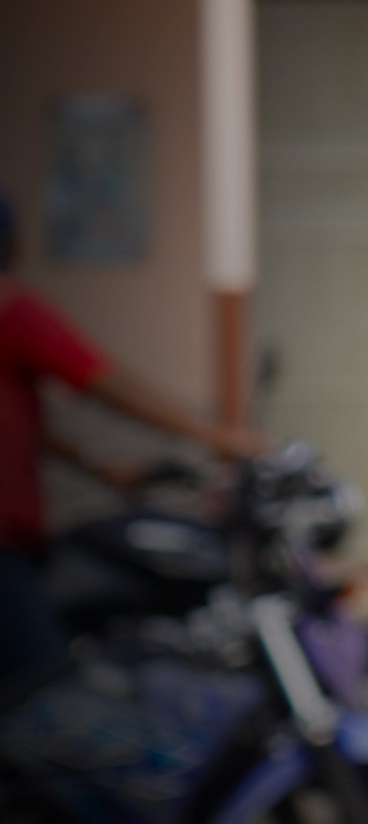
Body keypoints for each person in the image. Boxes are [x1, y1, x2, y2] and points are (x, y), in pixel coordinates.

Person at [0, 195, 271, 682]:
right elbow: (106, 384)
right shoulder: (11, 311)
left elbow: (24, 424)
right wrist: (217, 436)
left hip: (20, 539)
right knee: (46, 685)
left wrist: (99, 465)